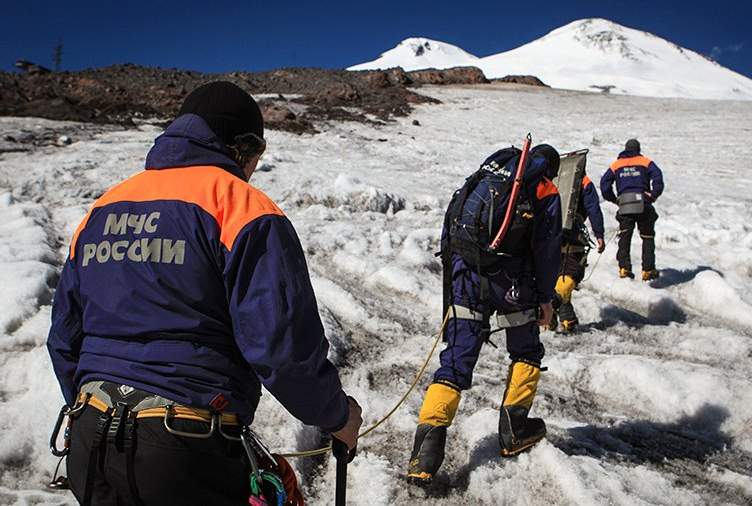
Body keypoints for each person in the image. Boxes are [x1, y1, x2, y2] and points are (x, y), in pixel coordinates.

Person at [47, 81, 362, 506]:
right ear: (242, 148)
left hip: (91, 440)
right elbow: (282, 348)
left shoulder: (103, 209)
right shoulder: (242, 207)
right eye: (258, 156)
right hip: (185, 447)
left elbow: (65, 337)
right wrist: (336, 416)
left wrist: (90, 408)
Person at [406, 144, 562, 485]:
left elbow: (453, 222)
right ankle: (514, 430)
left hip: (467, 272)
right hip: (512, 282)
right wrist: (547, 298)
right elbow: (548, 249)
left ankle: (423, 457)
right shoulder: (544, 187)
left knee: (455, 361)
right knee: (526, 351)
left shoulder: (490, 173)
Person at [599, 139, 665, 281]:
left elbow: (604, 184)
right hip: (643, 202)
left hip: (625, 203)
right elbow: (658, 177)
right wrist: (653, 195)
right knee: (647, 236)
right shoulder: (645, 162)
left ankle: (624, 268)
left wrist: (614, 199)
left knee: (625, 235)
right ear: (638, 149)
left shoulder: (616, 164)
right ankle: (648, 270)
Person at [551, 173, 605, 333]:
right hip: (573, 235)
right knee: (570, 274)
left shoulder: (553, 179)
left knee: (556, 277)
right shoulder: (584, 182)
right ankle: (551, 305)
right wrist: (599, 234)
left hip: (548, 234)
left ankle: (567, 319)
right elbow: (593, 208)